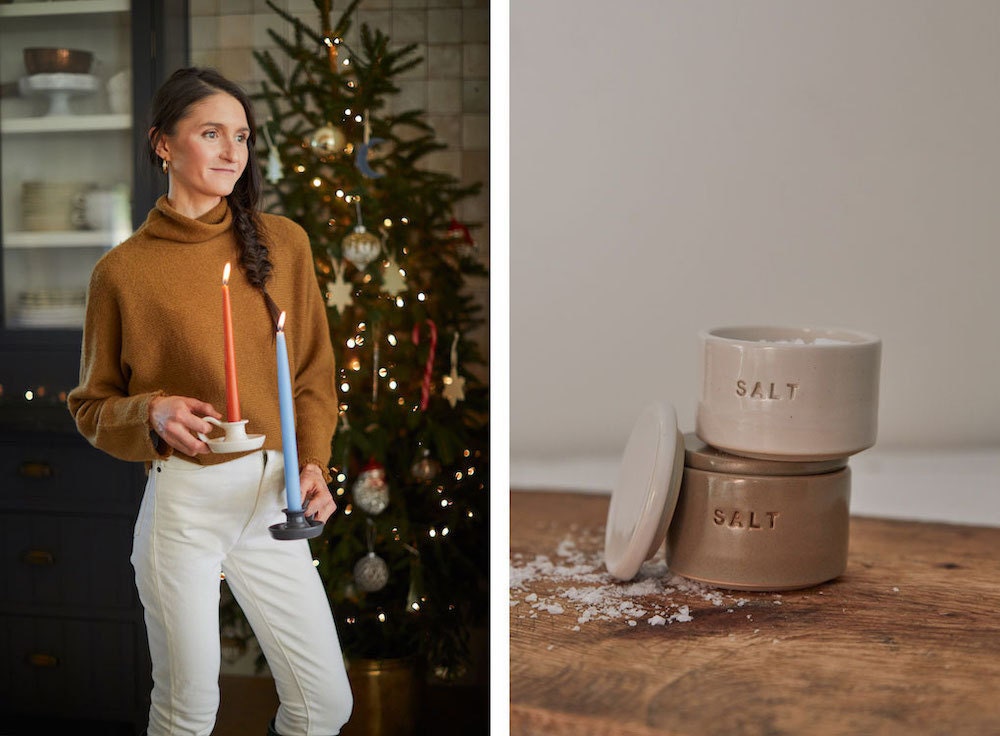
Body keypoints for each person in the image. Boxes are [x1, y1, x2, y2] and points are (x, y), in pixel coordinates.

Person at [67, 67, 353, 736]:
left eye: (243, 137)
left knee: (325, 706)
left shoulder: (285, 244)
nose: (232, 151)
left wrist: (313, 467)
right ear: (163, 144)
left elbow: (310, 374)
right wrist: (153, 411)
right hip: (184, 510)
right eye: (211, 133)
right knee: (188, 710)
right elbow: (91, 405)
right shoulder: (122, 272)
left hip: (274, 500)